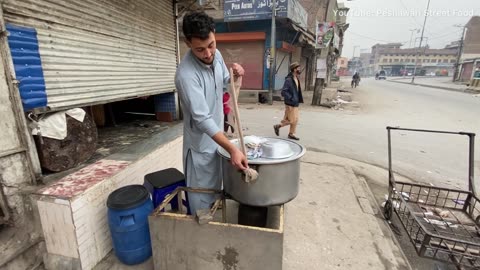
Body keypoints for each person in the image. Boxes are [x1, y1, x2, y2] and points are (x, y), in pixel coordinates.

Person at [175, 12, 248, 215]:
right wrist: (233, 149)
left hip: (217, 143)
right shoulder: (186, 75)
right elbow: (202, 119)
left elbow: (226, 84)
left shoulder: (217, 57)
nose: (208, 53)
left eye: (211, 45)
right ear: (188, 43)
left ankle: (214, 228)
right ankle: (202, 237)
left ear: (214, 35)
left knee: (216, 193)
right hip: (200, 149)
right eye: (200, 49)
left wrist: (234, 75)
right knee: (201, 201)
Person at [273, 62, 303, 140]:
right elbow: (284, 92)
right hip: (291, 103)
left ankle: (291, 134)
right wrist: (291, 98)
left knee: (295, 120)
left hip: (295, 103)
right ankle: (278, 126)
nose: (299, 69)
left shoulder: (296, 78)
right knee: (292, 120)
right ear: (294, 69)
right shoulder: (289, 80)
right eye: (298, 68)